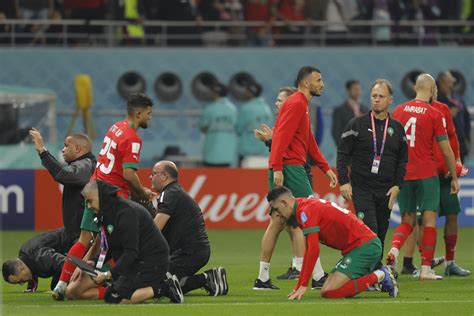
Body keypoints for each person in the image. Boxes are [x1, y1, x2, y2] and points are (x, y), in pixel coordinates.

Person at [52, 93, 155, 300]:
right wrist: (142, 192)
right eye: (149, 114)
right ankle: (118, 287)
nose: (150, 118)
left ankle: (62, 284)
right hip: (113, 195)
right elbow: (128, 174)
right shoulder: (133, 138)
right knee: (120, 242)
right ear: (139, 113)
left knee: (86, 240)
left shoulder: (115, 127)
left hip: (95, 188)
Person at [253, 66, 338, 290]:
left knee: (278, 222)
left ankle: (262, 278)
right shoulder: (298, 103)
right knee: (310, 218)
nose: (322, 84)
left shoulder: (302, 104)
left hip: (287, 165)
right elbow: (280, 136)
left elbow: (308, 141)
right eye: (319, 80)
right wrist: (278, 167)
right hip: (290, 167)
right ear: (306, 83)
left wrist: (324, 167)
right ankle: (318, 276)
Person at [386, 73, 460, 280]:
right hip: (427, 173)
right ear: (432, 89)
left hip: (404, 174)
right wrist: (453, 176)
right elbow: (446, 149)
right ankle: (426, 269)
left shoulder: (399, 111)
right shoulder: (434, 113)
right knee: (429, 220)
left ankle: (393, 250)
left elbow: (390, 146)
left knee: (407, 219)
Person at [266, 186, 398, 300]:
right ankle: (379, 276)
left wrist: (303, 285)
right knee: (328, 288)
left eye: (275, 209)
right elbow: (309, 250)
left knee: (329, 292)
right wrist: (299, 285)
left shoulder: (305, 211)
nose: (276, 214)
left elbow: (313, 250)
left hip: (365, 246)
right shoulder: (303, 207)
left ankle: (381, 275)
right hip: (357, 248)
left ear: (284, 203)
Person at [337, 79, 408, 271]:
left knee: (381, 233)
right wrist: (344, 181)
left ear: (390, 100)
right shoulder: (356, 124)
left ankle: (375, 273)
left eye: (381, 96)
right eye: (374, 96)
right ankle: (374, 272)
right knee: (370, 231)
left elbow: (402, 160)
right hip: (362, 189)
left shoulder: (397, 128)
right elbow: (343, 154)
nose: (376, 100)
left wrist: (398, 185)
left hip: (386, 190)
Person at [401, 88, 470, 277]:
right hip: (425, 173)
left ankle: (450, 262)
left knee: (452, 214)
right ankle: (426, 263)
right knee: (422, 220)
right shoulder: (413, 110)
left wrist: (455, 162)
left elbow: (451, 137)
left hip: (443, 174)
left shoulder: (442, 109)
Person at [82, 180, 183, 304]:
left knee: (115, 298)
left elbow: (131, 252)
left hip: (152, 261)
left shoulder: (126, 213)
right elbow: (111, 246)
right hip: (137, 261)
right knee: (111, 296)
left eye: (90, 201)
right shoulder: (108, 213)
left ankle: (165, 288)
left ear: (101, 197)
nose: (89, 206)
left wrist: (108, 274)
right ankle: (160, 284)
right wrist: (95, 261)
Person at [255, 86, 314, 281]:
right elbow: (287, 149)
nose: (276, 103)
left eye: (280, 100)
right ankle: (302, 269)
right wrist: (272, 143)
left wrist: (271, 142)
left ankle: (263, 277)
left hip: (285, 170)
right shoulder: (290, 119)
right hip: (290, 170)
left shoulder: (288, 119)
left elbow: (285, 147)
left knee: (282, 223)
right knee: (299, 222)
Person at [150, 160, 229, 296]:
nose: (150, 177)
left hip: (188, 253)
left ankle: (205, 279)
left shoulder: (169, 194)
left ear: (164, 176)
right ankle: (210, 278)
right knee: (158, 281)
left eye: (153, 174)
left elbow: (156, 228)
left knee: (154, 284)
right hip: (192, 251)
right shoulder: (173, 192)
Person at [29, 129, 96, 243]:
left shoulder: (86, 165)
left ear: (77, 148)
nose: (63, 150)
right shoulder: (84, 164)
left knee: (36, 247)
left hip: (81, 237)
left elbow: (63, 175)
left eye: (66, 146)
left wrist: (42, 150)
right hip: (76, 234)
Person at [2, 228, 73, 293]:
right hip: (68, 237)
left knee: (59, 287)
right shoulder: (25, 257)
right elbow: (32, 269)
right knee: (56, 285)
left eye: (21, 280)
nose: (21, 284)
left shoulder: (41, 257)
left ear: (22, 269)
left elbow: (66, 263)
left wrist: (62, 284)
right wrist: (31, 288)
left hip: (74, 240)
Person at [199, 82, 238, 167]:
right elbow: (237, 128)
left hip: (211, 153)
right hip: (228, 154)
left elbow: (203, 127)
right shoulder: (233, 109)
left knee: (211, 178)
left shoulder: (210, 108)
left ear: (216, 93)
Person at [237, 78, 273, 164]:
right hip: (265, 153)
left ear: (250, 92)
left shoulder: (246, 108)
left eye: (246, 91)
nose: (244, 93)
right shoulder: (266, 108)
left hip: (248, 154)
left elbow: (238, 129)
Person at [437, 71, 471, 163]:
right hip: (445, 141)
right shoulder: (437, 100)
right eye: (449, 81)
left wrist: (467, 138)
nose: (451, 84)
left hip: (460, 139)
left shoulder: (458, 97)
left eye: (452, 81)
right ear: (442, 82)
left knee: (459, 169)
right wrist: (447, 114)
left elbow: (466, 118)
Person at [332, 80, 368, 146]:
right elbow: (336, 133)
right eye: (355, 89)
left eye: (359, 89)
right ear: (348, 91)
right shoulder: (340, 111)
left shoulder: (365, 109)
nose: (358, 92)